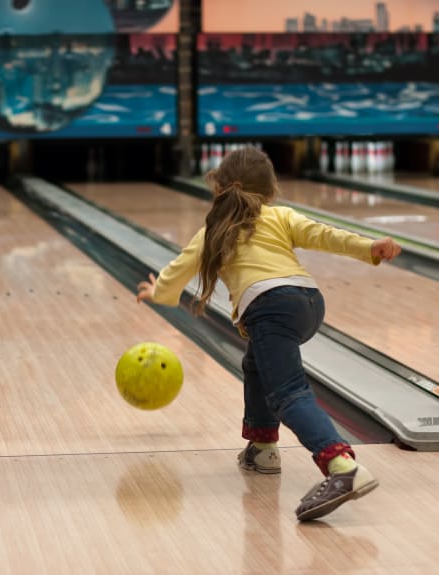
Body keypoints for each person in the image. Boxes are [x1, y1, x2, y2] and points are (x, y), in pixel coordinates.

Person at [136, 146, 401, 522]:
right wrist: (368, 248)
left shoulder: (213, 229)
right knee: (257, 364)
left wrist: (157, 292)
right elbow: (325, 235)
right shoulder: (280, 215)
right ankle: (263, 446)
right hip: (308, 303)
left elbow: (178, 272)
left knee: (289, 392)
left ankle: (342, 467)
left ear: (220, 189)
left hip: (270, 307)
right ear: (271, 191)